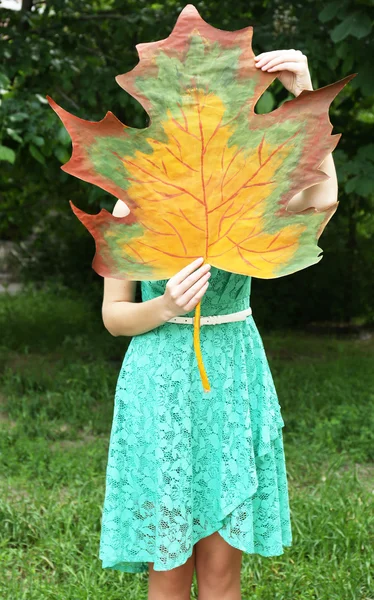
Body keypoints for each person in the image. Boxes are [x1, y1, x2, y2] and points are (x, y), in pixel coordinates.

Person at [98, 49, 339, 600]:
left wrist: (304, 92)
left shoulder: (250, 193)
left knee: (222, 570)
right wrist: (164, 308)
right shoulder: (132, 199)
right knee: (168, 567)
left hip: (232, 372)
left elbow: (323, 195)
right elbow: (114, 317)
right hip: (159, 382)